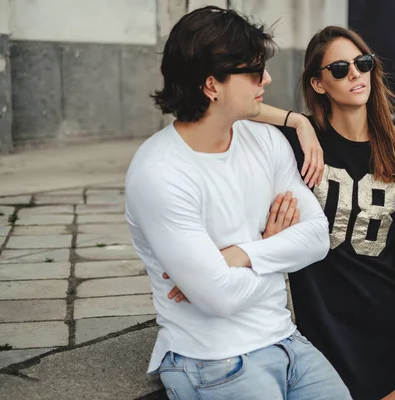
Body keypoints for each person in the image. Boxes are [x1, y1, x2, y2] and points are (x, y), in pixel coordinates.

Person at [166, 25, 395, 400]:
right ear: (318, 84)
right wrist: (297, 121)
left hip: (383, 321)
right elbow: (239, 110)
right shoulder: (297, 146)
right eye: (340, 69)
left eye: (362, 63)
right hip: (322, 320)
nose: (356, 74)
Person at [125, 7, 351, 400]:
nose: (266, 79)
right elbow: (220, 298)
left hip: (286, 341)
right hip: (210, 361)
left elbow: (317, 237)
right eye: (253, 71)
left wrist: (241, 253)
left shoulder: (266, 141)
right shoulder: (160, 172)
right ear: (212, 85)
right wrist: (272, 244)